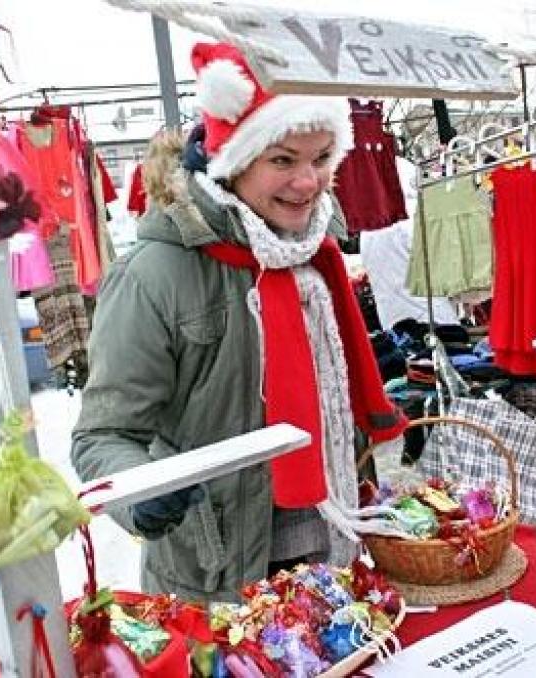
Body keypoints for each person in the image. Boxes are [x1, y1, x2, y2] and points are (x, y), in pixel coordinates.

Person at [71, 42, 406, 603]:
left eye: (322, 158)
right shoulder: (156, 275)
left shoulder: (314, 254)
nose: (309, 181)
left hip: (334, 556)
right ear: (234, 161)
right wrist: (141, 492)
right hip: (218, 582)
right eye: (282, 160)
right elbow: (103, 435)